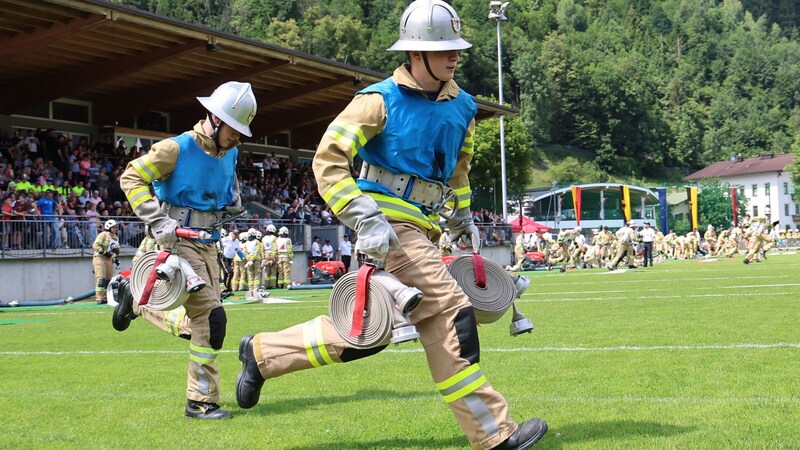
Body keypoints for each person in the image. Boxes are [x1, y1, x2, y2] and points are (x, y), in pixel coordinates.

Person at [234, 3, 547, 448]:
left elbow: (458, 171)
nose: (454, 56)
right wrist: (365, 218)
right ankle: (494, 433)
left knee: (368, 332)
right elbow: (328, 162)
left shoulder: (464, 108)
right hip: (389, 226)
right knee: (450, 311)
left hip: (426, 228)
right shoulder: (376, 101)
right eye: (442, 49)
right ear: (414, 54)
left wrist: (461, 219)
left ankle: (262, 354)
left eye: (456, 48)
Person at [112, 81, 257, 419]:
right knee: (211, 319)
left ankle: (136, 301)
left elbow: (224, 182)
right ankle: (200, 402)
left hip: (209, 244)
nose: (238, 137)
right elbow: (131, 178)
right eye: (234, 129)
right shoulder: (175, 148)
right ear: (214, 119)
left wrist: (231, 200)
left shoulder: (230, 152)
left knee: (206, 323)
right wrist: (158, 220)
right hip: (176, 240)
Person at [92, 219, 119, 304]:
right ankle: (99, 298)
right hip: (100, 258)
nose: (115, 229)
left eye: (115, 227)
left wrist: (114, 257)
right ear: (108, 227)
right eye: (113, 227)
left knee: (109, 280)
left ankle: (107, 297)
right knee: (101, 279)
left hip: (109, 259)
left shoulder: (115, 238)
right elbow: (95, 245)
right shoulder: (103, 235)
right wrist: (104, 252)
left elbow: (115, 250)